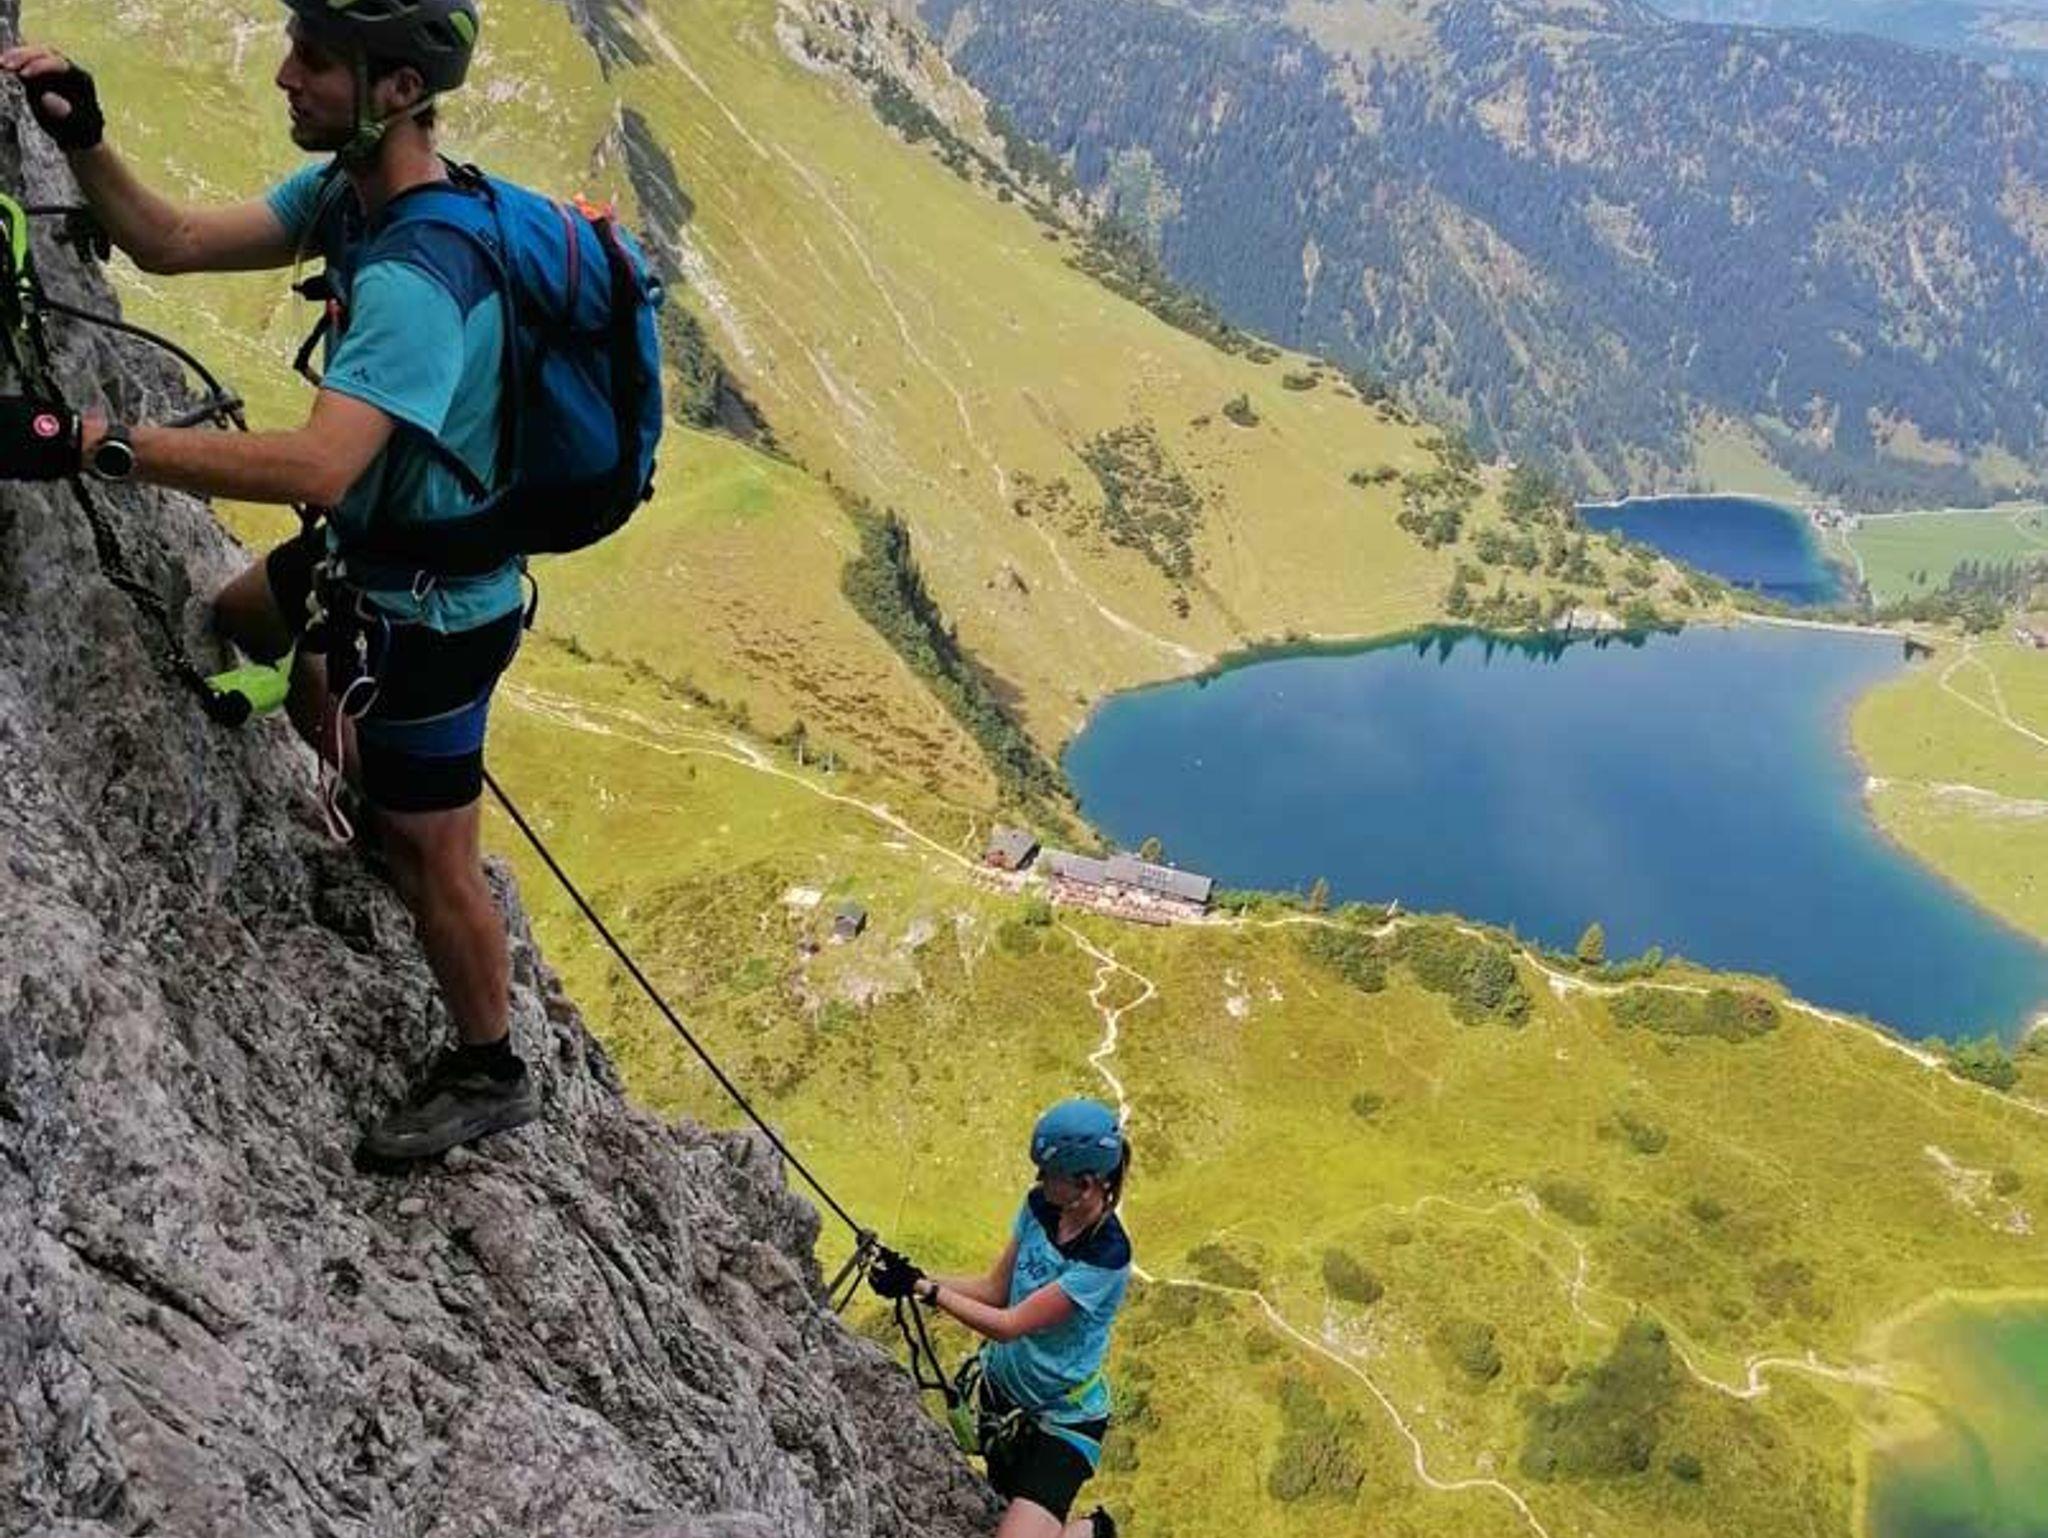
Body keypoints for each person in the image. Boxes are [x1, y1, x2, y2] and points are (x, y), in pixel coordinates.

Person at [1, 0, 538, 1165]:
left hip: (435, 609)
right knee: (239, 618)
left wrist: (88, 440)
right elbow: (173, 240)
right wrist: (83, 136)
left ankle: (490, 1063)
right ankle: (368, 789)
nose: (285, 76)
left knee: (436, 854)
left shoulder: (418, 275)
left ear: (398, 90)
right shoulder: (350, 194)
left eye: (316, 60)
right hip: (372, 558)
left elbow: (317, 465)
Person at [872, 1100, 1133, 1538]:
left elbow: (1009, 1325)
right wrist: (915, 1278)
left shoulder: (1105, 1259)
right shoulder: (1039, 1208)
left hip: (1064, 1419)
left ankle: (1092, 1531)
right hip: (1002, 1397)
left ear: (1086, 1184)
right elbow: (995, 1290)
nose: (1038, 1179)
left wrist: (925, 1289)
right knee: (1007, 1511)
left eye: (1049, 1173)